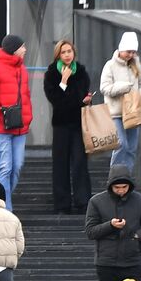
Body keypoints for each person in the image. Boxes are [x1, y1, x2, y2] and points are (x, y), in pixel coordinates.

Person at [84, 164, 141, 281]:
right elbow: (90, 231)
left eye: (124, 187)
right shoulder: (96, 202)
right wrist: (110, 225)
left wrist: (137, 235)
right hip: (106, 263)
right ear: (110, 186)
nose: (121, 191)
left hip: (132, 262)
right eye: (117, 188)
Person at [0, 35, 32, 210]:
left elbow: (26, 96)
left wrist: (27, 117)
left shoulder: (22, 69)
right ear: (14, 49)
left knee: (16, 166)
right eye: (22, 47)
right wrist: (1, 116)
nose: (25, 50)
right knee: (4, 167)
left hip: (20, 128)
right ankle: (5, 210)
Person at [42, 39, 93, 214]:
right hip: (61, 124)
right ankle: (62, 204)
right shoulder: (51, 74)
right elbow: (55, 99)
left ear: (74, 52)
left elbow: (82, 95)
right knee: (60, 164)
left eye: (69, 51)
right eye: (63, 52)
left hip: (79, 124)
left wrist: (85, 100)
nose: (67, 55)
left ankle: (83, 201)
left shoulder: (81, 72)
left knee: (80, 163)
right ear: (58, 55)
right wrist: (63, 82)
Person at [98, 31, 141, 171]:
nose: (131, 55)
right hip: (115, 112)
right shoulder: (110, 65)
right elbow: (104, 87)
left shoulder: (136, 65)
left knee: (132, 147)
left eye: (133, 52)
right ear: (121, 49)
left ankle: (127, 178)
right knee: (121, 144)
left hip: (133, 111)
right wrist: (123, 88)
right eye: (128, 51)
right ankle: (114, 177)